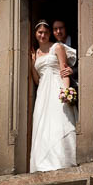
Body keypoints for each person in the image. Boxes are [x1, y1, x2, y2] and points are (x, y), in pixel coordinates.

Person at [29, 19, 77, 173]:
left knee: (59, 121)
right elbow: (37, 80)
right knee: (43, 124)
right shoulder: (36, 53)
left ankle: (63, 161)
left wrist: (66, 90)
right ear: (36, 34)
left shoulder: (57, 47)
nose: (43, 35)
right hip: (43, 91)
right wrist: (32, 62)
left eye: (45, 32)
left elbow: (64, 70)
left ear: (50, 34)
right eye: (40, 32)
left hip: (56, 87)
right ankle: (43, 163)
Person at [52, 19, 78, 90]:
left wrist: (73, 71)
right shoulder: (53, 47)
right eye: (55, 29)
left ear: (66, 28)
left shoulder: (78, 41)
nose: (58, 31)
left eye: (61, 28)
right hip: (59, 86)